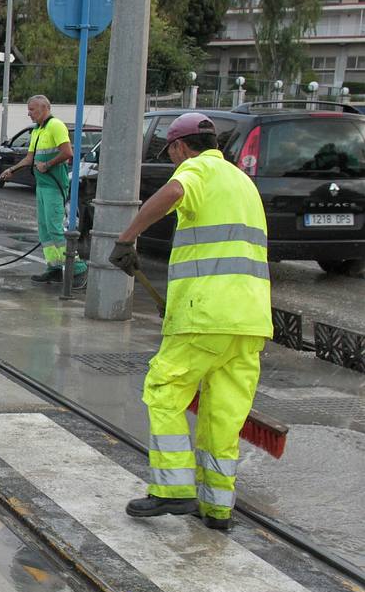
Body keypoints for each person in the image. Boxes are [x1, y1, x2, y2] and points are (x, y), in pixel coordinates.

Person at [108, 113, 271, 531]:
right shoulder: (242, 182)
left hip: (206, 317)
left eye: (172, 152)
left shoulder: (198, 168)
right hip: (249, 321)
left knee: (163, 389)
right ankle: (217, 509)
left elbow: (172, 192)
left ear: (180, 147)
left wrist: (126, 238)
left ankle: (172, 488)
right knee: (223, 417)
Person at [0, 95, 87, 287]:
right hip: (42, 186)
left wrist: (47, 164)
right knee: (44, 229)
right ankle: (54, 267)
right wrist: (11, 171)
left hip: (54, 185)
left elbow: (68, 152)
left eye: (32, 109)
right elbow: (30, 158)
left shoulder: (55, 125)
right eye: (28, 109)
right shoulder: (38, 130)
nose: (29, 113)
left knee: (55, 228)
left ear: (45, 108)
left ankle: (78, 269)